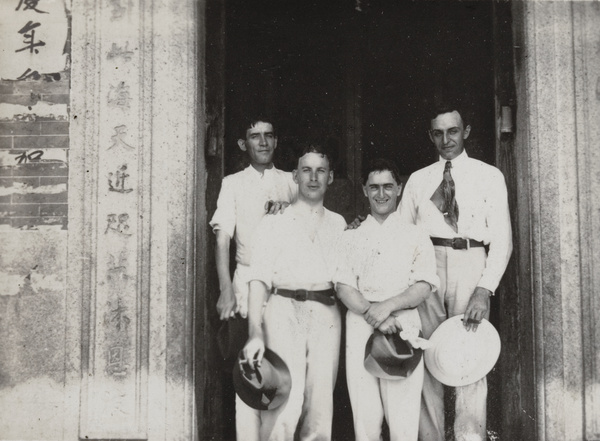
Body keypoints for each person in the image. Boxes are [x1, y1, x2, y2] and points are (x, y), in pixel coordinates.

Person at [397, 104, 513, 441]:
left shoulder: (489, 175)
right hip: (427, 265)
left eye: (453, 131)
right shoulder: (419, 180)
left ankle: (470, 436)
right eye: (438, 132)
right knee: (425, 351)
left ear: (466, 131)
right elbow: (403, 236)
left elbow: (503, 240)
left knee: (470, 353)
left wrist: (485, 288)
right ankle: (429, 436)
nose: (446, 139)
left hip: (471, 260)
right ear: (430, 136)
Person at [242, 143, 346, 441]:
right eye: (306, 170)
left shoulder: (338, 224)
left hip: (326, 312)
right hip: (283, 310)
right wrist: (254, 331)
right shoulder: (274, 223)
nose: (313, 178)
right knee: (284, 401)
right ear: (295, 176)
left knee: (320, 405)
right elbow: (258, 279)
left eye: (321, 171)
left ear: (330, 177)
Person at [335, 158, 439, 441]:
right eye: (374, 187)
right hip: (361, 322)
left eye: (388, 187)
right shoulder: (350, 237)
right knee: (365, 415)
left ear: (399, 189)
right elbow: (344, 287)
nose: (381, 194)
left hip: (403, 324)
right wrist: (374, 313)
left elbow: (423, 286)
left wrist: (387, 308)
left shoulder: (416, 235)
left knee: (403, 417)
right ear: (364, 191)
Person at [209, 116, 297, 441]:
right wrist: (224, 290)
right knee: (248, 373)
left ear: (276, 141)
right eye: (254, 136)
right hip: (246, 283)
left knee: (282, 371)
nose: (262, 142)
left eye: (268, 136)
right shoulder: (233, 183)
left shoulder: (292, 181)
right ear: (243, 144)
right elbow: (222, 239)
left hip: (284, 286)